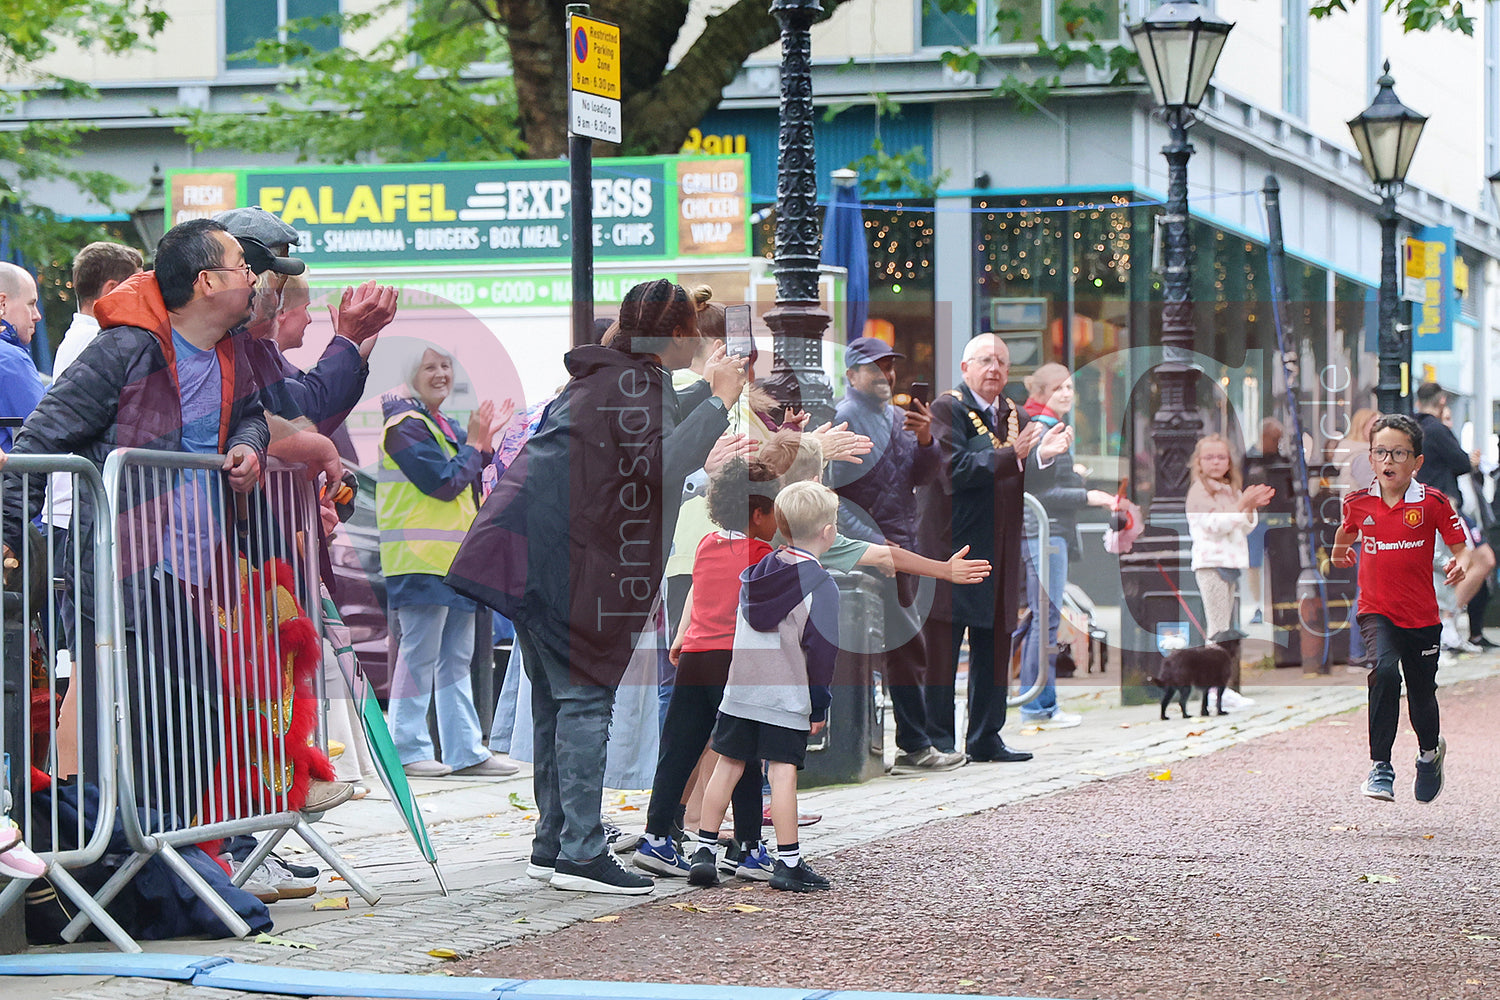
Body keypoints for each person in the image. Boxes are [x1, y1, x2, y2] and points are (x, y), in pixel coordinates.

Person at [445, 279, 746, 896]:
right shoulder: (628, 384)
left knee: (561, 703)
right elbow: (662, 461)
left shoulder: (617, 378)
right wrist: (717, 402)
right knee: (582, 701)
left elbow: (652, 432)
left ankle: (554, 843)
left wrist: (705, 393)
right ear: (675, 336)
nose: (701, 338)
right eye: (694, 328)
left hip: (535, 559)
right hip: (566, 567)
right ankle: (580, 853)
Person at [0, 218, 270, 818]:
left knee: (197, 731)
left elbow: (251, 414)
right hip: (125, 575)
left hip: (202, 576)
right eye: (240, 267)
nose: (253, 279)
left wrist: (251, 448)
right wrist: (11, 552)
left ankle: (178, 861)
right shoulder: (124, 349)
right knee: (131, 735)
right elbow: (37, 447)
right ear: (205, 282)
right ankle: (126, 867)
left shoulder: (231, 352)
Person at [918, 334, 1067, 763]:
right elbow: (952, 470)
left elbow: (1019, 476)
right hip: (953, 546)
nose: (994, 369)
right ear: (965, 368)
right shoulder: (947, 409)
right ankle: (939, 740)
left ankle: (985, 737)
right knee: (944, 646)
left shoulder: (1011, 413)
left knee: (994, 644)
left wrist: (1042, 457)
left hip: (1000, 546)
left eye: (1001, 362)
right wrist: (1013, 457)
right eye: (985, 360)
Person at [632, 456, 781, 881]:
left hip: (695, 657)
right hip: (735, 660)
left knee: (678, 750)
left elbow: (701, 596)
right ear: (758, 513)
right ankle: (749, 847)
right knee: (744, 751)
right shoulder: (762, 554)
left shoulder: (706, 545)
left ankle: (656, 837)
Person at [688, 481, 840, 893]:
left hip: (740, 692)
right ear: (827, 532)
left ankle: (703, 851)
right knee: (783, 773)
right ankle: (789, 861)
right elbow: (821, 653)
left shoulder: (754, 574)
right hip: (786, 696)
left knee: (728, 764)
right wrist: (818, 706)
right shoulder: (821, 585)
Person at [377, 345, 517, 778]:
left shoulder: (443, 426)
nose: (441, 373)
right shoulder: (404, 426)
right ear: (409, 375)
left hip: (453, 560)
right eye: (429, 367)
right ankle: (405, 747)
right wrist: (476, 444)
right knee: (419, 655)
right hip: (419, 559)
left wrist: (483, 446)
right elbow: (442, 482)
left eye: (446, 365)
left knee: (455, 658)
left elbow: (469, 477)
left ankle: (465, 751)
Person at [828, 336, 964, 772]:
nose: (886, 375)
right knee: (902, 647)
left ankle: (909, 743)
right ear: (852, 375)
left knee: (903, 646)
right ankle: (914, 745)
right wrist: (870, 543)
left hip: (899, 543)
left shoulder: (899, 416)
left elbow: (922, 477)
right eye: (875, 368)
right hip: (876, 548)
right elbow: (833, 494)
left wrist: (926, 440)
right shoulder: (844, 417)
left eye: (889, 366)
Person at [1331, 413, 1471, 803]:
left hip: (1422, 616)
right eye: (1381, 452)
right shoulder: (1358, 503)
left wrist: (1459, 563)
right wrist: (1340, 551)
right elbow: (1346, 531)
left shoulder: (1432, 503)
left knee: (1422, 693)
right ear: (1371, 459)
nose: (1389, 461)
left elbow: (1462, 548)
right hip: (1376, 610)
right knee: (1384, 672)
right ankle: (1381, 767)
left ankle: (1429, 755)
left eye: (1398, 453)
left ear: (1417, 462)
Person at [1018, 364, 1116, 729]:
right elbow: (1041, 491)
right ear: (1041, 391)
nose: (1066, 392)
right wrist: (1089, 494)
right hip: (1044, 533)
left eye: (1070, 386)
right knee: (1045, 621)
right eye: (1057, 387)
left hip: (1047, 531)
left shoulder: (1041, 423)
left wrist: (1076, 479)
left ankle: (1040, 703)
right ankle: (1038, 707)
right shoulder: (1044, 426)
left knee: (1042, 621)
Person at [1185, 434, 1274, 706]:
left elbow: (1245, 526)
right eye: (1209, 457)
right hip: (1211, 564)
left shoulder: (1230, 489)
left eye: (1221, 457)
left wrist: (1247, 507)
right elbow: (1215, 525)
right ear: (1198, 462)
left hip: (1231, 564)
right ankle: (1214, 691)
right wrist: (1242, 506)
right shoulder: (1199, 491)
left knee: (1225, 628)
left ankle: (1220, 689)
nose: (1216, 462)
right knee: (1216, 629)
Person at [1412, 382, 1497, 653]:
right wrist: (1471, 461)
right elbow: (1461, 463)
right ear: (1441, 401)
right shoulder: (1436, 429)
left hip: (1431, 507)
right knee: (1475, 559)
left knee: (1459, 562)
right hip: (1445, 507)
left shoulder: (1412, 427)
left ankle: (1446, 622)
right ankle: (1445, 622)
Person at [0, 261, 44, 453]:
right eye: (31, 304)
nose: (37, 315)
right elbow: (43, 432)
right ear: (2, 304)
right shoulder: (10, 360)